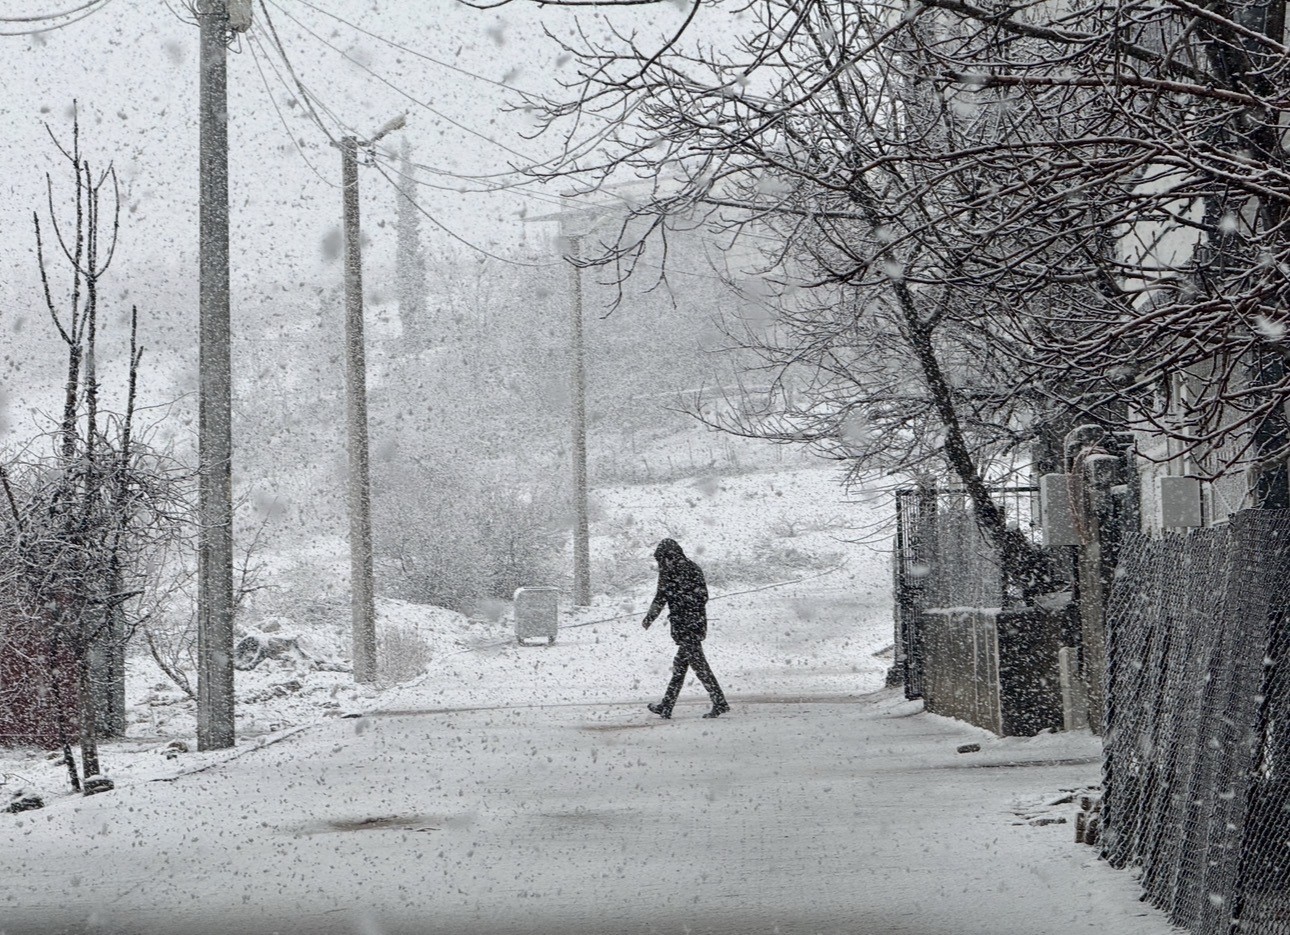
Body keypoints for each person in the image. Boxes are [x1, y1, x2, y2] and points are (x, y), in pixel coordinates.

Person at [641, 538, 730, 719]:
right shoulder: (676, 571)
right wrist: (650, 617)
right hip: (689, 625)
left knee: (698, 666)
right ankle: (667, 706)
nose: (662, 564)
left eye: (663, 559)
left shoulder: (686, 570)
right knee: (680, 667)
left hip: (689, 626)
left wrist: (681, 605)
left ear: (670, 556)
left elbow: (701, 596)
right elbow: (662, 597)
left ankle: (719, 702)